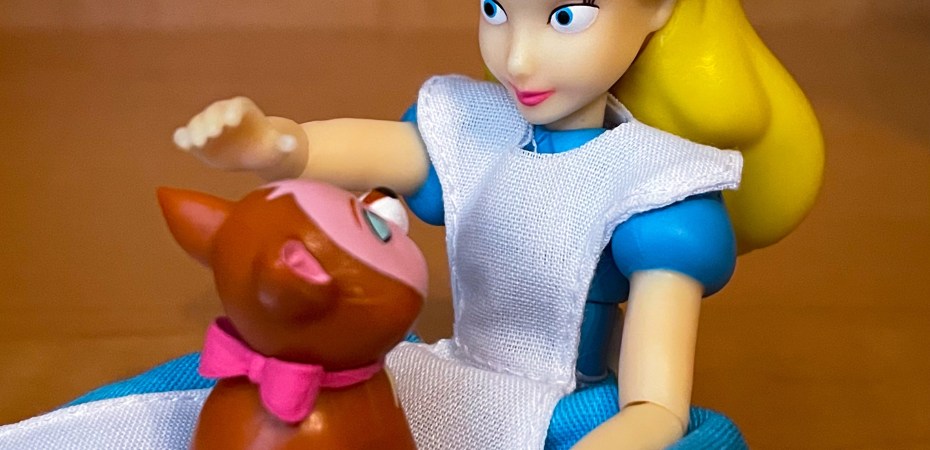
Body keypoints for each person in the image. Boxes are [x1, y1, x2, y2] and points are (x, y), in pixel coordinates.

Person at [173, 1, 824, 449]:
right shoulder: (475, 125)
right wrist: (274, 146)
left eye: (565, 17)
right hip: (457, 371)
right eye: (494, 10)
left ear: (656, 8)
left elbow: (654, 409)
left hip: (563, 411)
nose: (518, 59)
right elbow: (381, 150)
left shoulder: (656, 184)